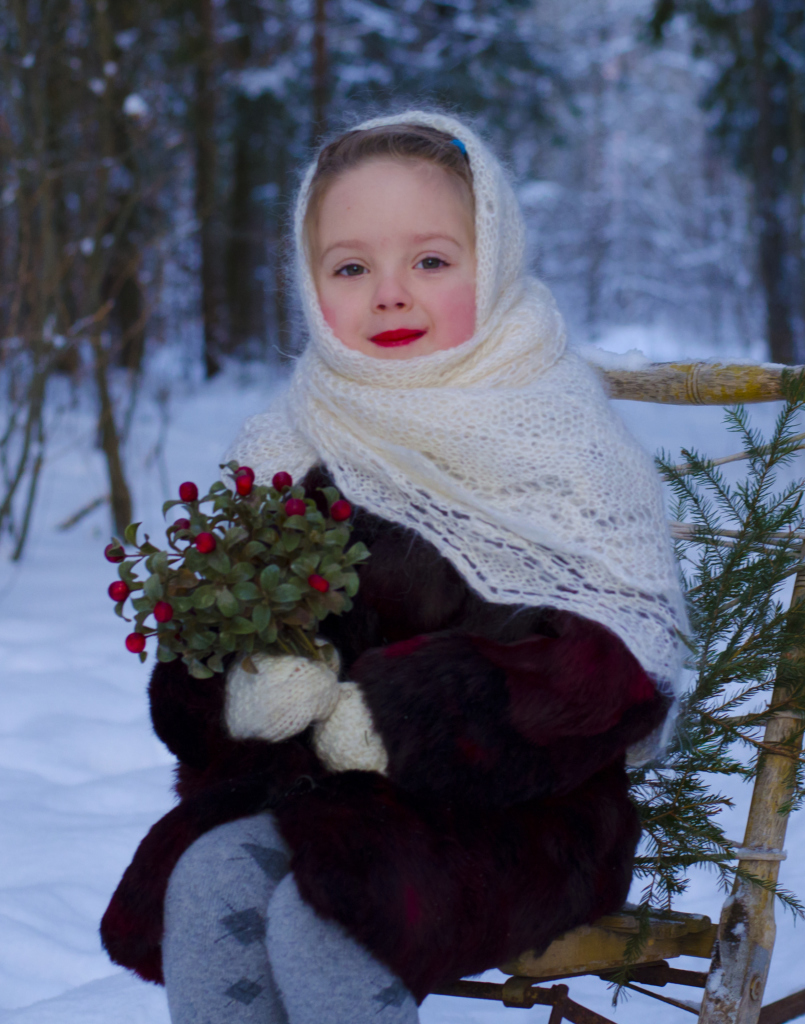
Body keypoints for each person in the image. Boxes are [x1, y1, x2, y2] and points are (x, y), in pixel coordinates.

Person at [101, 111, 686, 1024]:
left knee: (329, 914)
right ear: (310, 283)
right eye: (351, 267)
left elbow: (612, 677)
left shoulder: (565, 443)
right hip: (322, 796)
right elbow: (194, 681)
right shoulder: (287, 446)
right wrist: (242, 689)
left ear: (490, 259)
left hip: (523, 814)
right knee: (210, 879)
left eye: (431, 261)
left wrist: (397, 717)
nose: (390, 295)